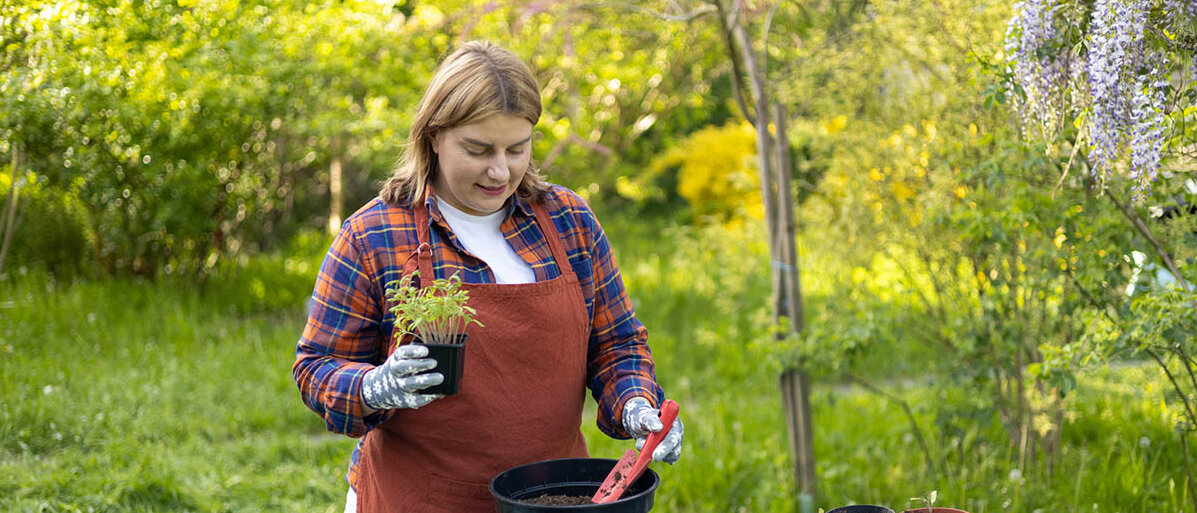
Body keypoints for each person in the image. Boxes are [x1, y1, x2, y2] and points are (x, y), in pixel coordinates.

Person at [292, 41, 684, 513]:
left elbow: (617, 344)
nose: (501, 171)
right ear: (434, 136)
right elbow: (317, 367)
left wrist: (636, 405)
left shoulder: (567, 221)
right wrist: (375, 386)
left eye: (517, 148)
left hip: (555, 496)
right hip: (419, 498)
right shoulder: (373, 236)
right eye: (478, 150)